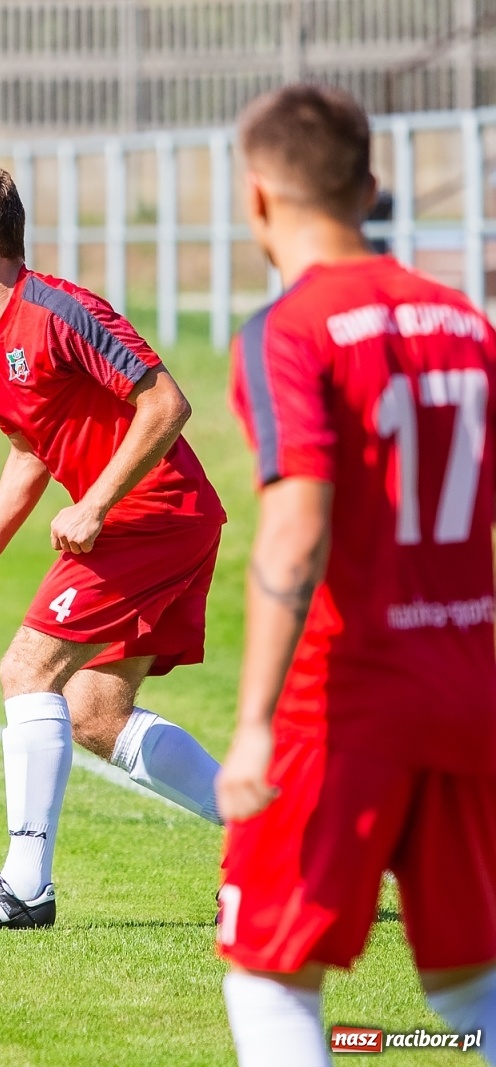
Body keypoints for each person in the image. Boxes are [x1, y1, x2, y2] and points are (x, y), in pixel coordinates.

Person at [218, 84, 496, 1067]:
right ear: (370, 187)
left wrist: (251, 721)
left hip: (344, 704)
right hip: (467, 692)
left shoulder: (284, 331)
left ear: (254, 197)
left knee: (269, 972)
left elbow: (295, 530)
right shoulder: (465, 320)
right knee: (469, 978)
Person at [0, 160, 228, 930]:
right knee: (93, 711)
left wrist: (95, 503)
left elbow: (166, 403)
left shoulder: (61, 312)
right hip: (147, 519)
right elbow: (32, 448)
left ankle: (24, 889)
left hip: (153, 513)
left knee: (27, 667)